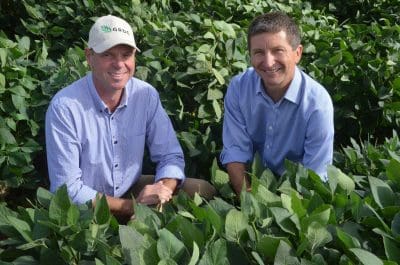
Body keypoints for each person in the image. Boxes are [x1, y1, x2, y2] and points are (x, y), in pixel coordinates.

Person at [45, 15, 215, 219]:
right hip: (88, 203)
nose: (119, 64)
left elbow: (170, 155)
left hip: (131, 188)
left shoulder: (145, 95)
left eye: (126, 55)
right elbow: (68, 190)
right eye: (108, 55)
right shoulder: (65, 107)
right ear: (89, 56)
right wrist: (133, 207)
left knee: (202, 189)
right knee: (135, 233)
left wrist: (162, 190)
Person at [220, 11, 334, 195]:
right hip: (249, 185)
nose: (268, 62)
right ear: (249, 55)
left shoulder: (317, 103)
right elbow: (235, 152)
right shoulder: (239, 88)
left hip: (295, 192)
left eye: (277, 51)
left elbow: (315, 175)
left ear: (297, 53)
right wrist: (249, 201)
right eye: (258, 52)